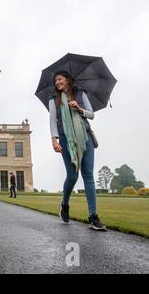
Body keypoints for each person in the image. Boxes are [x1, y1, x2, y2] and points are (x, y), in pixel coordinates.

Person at [49, 70, 107, 231]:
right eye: (55, 81)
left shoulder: (81, 94)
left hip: (85, 137)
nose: (57, 83)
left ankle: (93, 216)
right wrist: (54, 139)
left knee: (88, 174)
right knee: (72, 176)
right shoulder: (54, 100)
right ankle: (65, 203)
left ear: (67, 80)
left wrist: (79, 108)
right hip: (66, 139)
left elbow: (91, 114)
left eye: (59, 79)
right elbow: (53, 121)